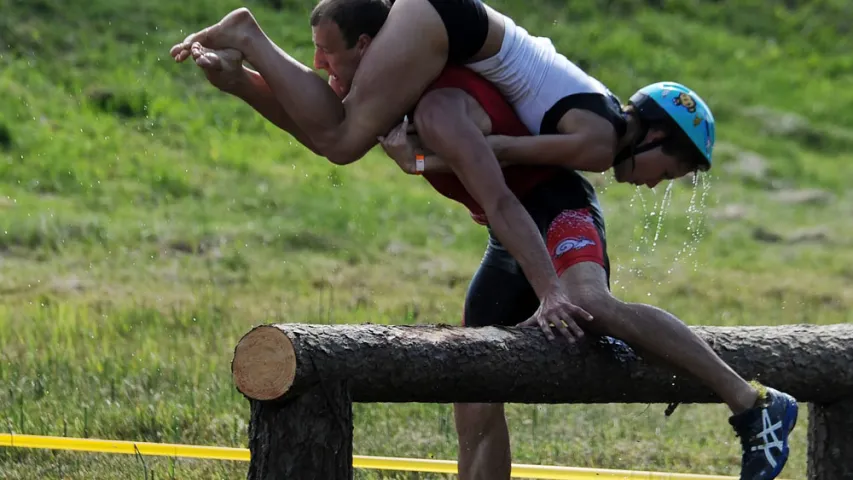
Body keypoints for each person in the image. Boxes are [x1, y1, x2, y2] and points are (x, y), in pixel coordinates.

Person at [179, 2, 798, 479]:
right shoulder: (428, 105)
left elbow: (500, 185)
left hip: (553, 212)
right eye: (676, 170)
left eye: (330, 59)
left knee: (593, 306)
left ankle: (752, 401)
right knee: (475, 390)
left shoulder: (457, 113)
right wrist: (243, 85)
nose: (323, 73)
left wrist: (551, 289)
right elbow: (329, 132)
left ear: (371, 48)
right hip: (515, 224)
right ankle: (246, 45)